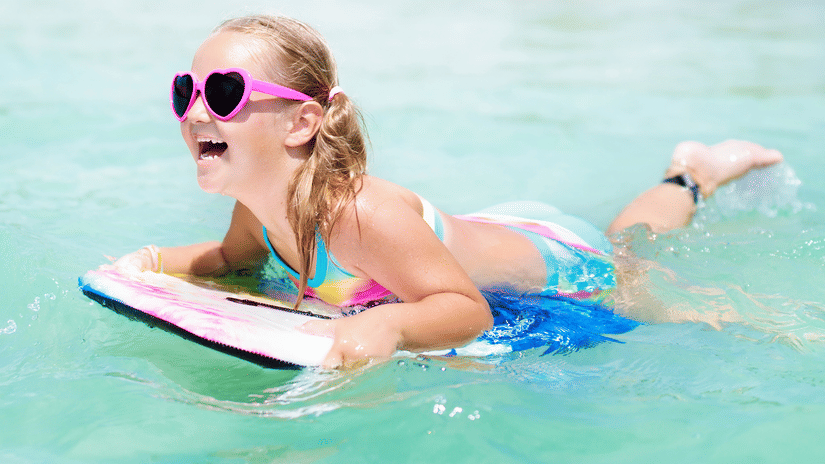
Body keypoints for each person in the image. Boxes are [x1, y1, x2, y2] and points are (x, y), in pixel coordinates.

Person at [109, 15, 783, 367]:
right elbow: (230, 262)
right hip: (456, 240)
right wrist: (153, 262)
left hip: (560, 268)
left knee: (638, 252)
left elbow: (467, 311)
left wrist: (390, 321)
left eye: (223, 94)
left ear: (302, 122)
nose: (196, 112)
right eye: (185, 92)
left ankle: (692, 172)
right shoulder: (256, 209)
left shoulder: (354, 214)